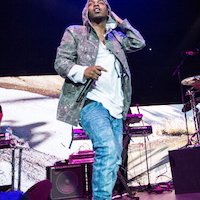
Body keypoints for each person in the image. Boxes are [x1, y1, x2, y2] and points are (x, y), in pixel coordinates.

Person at [54, 0, 145, 199]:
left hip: (117, 106)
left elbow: (139, 42)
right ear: (85, 10)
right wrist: (83, 71)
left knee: (114, 158)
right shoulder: (75, 32)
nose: (96, 5)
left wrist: (120, 22)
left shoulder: (117, 37)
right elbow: (60, 62)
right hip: (90, 101)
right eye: (91, 3)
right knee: (107, 147)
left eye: (101, 2)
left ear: (108, 10)